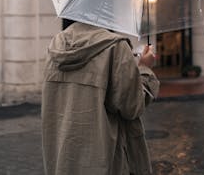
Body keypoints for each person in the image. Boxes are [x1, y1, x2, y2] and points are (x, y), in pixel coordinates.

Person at [42, 22, 160, 175]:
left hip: (63, 159)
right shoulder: (116, 48)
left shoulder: (56, 46)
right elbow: (132, 107)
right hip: (105, 159)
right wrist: (145, 68)